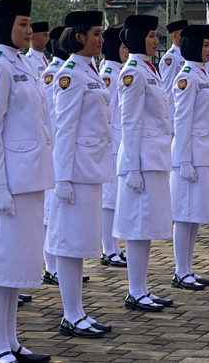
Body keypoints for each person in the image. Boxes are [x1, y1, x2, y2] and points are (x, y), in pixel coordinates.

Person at [0, 0, 53, 363]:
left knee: (16, 265)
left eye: (29, 24)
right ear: (4, 27)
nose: (29, 30)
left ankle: (13, 341)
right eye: (22, 24)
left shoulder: (22, 63)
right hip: (5, 182)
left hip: (28, 179)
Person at [48, 11, 113, 339]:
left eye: (101, 34)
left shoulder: (90, 69)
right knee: (70, 245)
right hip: (75, 172)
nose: (101, 40)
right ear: (78, 37)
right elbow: (64, 128)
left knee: (81, 244)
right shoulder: (71, 73)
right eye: (95, 34)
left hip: (90, 169)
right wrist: (61, 179)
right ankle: (70, 314)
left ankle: (78, 311)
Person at [115, 14, 175, 311]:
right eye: (151, 36)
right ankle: (134, 290)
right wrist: (132, 168)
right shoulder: (134, 72)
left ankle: (142, 287)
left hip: (155, 158)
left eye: (155, 35)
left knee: (148, 226)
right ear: (138, 38)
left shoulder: (148, 69)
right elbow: (129, 122)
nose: (155, 41)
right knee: (138, 227)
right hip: (141, 161)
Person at [169, 24, 209, 290]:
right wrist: (184, 160)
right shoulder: (187, 76)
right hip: (192, 155)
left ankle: (188, 267)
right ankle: (180, 270)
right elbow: (182, 120)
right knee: (185, 214)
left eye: (208, 45)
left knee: (195, 214)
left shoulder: (202, 74)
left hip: (206, 152)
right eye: (203, 45)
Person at [98, 25, 127, 269]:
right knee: (108, 199)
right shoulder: (109, 72)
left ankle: (115, 246)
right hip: (110, 144)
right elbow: (105, 114)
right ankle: (108, 249)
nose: (126, 51)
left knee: (115, 199)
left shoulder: (119, 71)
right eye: (123, 47)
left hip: (118, 143)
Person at [41, 25, 68, 286]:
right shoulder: (53, 73)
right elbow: (49, 115)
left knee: (55, 211)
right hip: (53, 146)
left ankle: (57, 264)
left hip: (59, 146)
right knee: (49, 211)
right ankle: (51, 266)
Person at [161, 19, 188, 121]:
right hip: (175, 112)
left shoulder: (186, 54)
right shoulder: (171, 58)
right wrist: (171, 117)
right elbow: (168, 88)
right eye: (183, 34)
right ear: (174, 36)